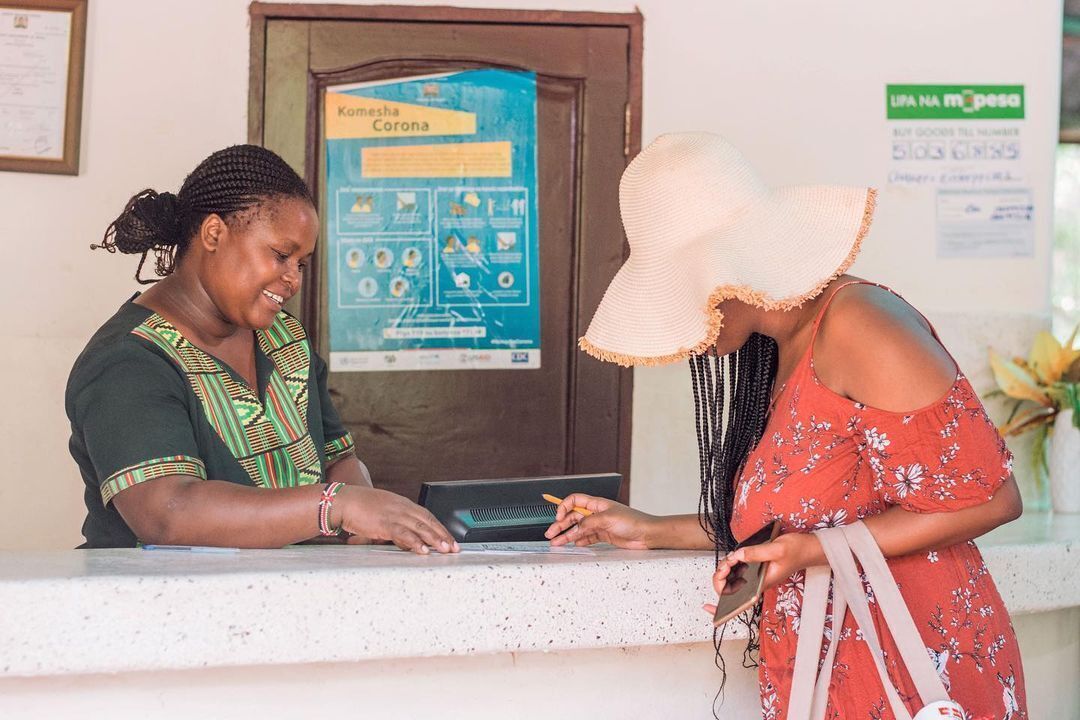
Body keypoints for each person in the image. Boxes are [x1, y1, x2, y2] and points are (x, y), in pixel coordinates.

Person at [544, 132, 1027, 719]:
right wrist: (646, 529)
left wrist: (811, 550)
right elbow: (792, 525)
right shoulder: (780, 352)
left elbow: (992, 499)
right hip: (834, 669)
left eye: (679, 294)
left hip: (917, 669)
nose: (684, 331)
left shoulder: (859, 325)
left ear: (723, 270)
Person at [68, 144, 458, 554]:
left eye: (301, 263)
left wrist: (365, 518)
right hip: (160, 593)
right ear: (214, 233)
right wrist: (335, 506)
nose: (294, 279)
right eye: (281, 255)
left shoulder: (285, 338)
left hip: (289, 588)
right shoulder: (128, 359)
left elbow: (337, 460)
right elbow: (167, 513)